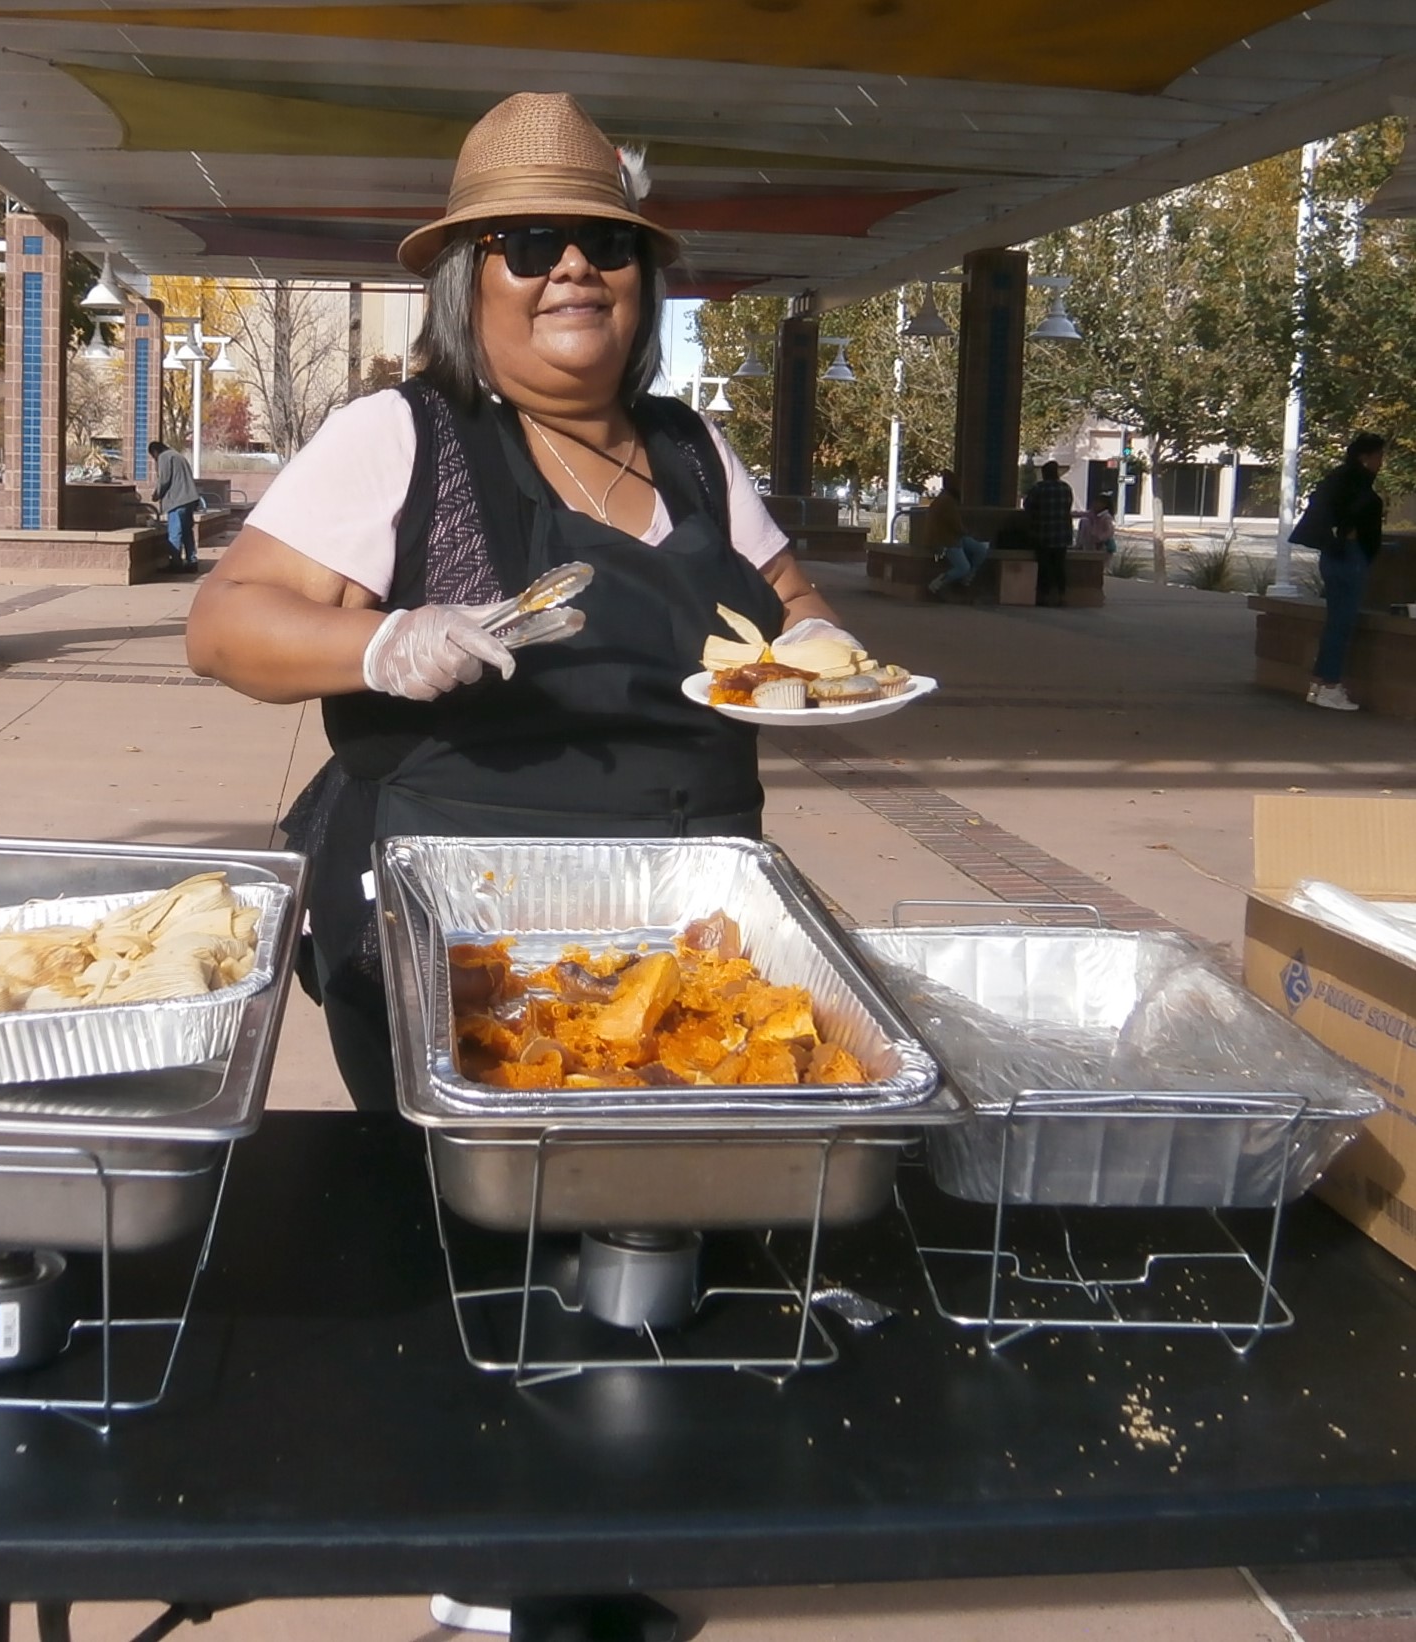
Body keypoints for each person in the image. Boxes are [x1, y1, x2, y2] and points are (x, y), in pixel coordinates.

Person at [186, 91, 858, 1113]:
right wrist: (388, 642)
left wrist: (815, 646)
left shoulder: (690, 448)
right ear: (469, 279)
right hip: (465, 945)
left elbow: (788, 596)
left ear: (641, 281)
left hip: (689, 941)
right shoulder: (402, 434)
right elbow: (223, 625)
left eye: (605, 243)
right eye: (532, 243)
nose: (574, 267)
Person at [1291, 432, 1386, 712]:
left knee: (1335, 622)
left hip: (1332, 555)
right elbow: (1361, 524)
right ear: (1365, 458)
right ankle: (1330, 685)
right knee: (1342, 624)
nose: (1381, 462)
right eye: (1379, 456)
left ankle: (1319, 684)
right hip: (1351, 555)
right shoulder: (1359, 488)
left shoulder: (1334, 481)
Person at [921, 470, 989, 596]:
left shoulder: (944, 499)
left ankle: (967, 577)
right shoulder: (947, 502)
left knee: (980, 549)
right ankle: (937, 584)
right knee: (963, 567)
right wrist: (968, 533)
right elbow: (957, 526)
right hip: (945, 541)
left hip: (952, 538)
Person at [1021, 460, 1074, 606]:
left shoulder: (1039, 488)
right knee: (1059, 566)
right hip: (1062, 534)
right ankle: (1061, 596)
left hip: (1043, 533)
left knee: (1044, 566)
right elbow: (1068, 506)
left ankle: (1044, 596)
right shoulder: (1065, 488)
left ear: (1044, 474)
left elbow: (1028, 506)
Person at [147, 437, 201, 570]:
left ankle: (175, 563)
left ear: (155, 452)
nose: (154, 459)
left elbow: (164, 479)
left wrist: (157, 494)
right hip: (189, 499)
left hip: (177, 500)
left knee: (175, 533)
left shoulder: (164, 457)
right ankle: (192, 561)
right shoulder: (178, 455)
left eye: (153, 456)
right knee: (187, 532)